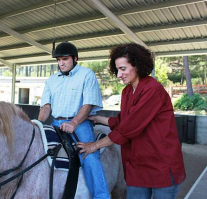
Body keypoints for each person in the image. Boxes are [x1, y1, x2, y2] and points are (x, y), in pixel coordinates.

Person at [77, 43, 186, 199]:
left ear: (138, 66)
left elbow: (128, 128)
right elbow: (123, 120)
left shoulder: (152, 90)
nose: (119, 75)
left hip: (160, 163)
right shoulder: (127, 91)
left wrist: (94, 146)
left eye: (123, 69)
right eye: (117, 70)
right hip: (136, 165)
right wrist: (96, 118)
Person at [38, 41, 110, 199]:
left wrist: (74, 122)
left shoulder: (86, 74)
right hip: (56, 122)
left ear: (75, 58)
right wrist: (37, 124)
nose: (61, 63)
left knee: (89, 155)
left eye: (64, 59)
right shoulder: (51, 80)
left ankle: (101, 196)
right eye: (58, 60)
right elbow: (46, 107)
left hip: (79, 123)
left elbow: (88, 104)